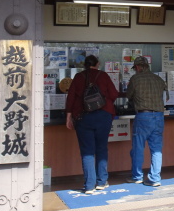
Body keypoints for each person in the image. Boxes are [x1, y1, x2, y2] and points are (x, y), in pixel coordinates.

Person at [65, 55, 119, 194]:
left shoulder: (78, 77)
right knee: (101, 148)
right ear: (97, 64)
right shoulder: (103, 76)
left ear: (85, 64)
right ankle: (101, 181)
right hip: (103, 116)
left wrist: (68, 116)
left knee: (87, 151)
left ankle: (89, 185)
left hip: (83, 117)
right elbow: (114, 94)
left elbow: (71, 98)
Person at [126, 56, 168, 186]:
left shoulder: (135, 79)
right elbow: (165, 96)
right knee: (156, 149)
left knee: (138, 148)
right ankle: (155, 178)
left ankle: (137, 176)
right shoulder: (158, 79)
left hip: (143, 116)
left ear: (138, 67)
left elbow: (128, 96)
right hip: (159, 116)